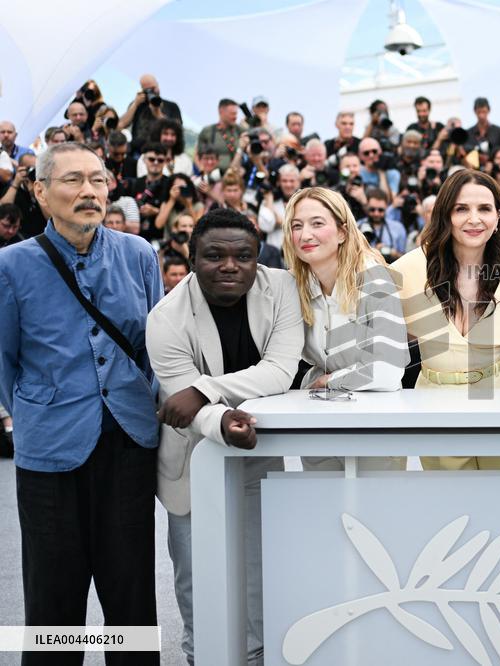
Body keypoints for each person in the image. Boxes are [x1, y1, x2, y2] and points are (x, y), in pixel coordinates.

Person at [0, 142, 162, 665]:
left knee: (131, 594)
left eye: (97, 179)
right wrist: (29, 413)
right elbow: (3, 359)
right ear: (41, 193)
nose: (88, 191)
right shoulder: (11, 265)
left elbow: (153, 348)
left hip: (129, 441)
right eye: (72, 180)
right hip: (50, 448)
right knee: (53, 597)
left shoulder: (138, 254)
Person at [146, 208, 303, 666]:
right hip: (192, 457)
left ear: (258, 258)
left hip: (257, 452)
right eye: (214, 255)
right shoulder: (165, 319)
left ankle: (254, 658)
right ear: (192, 258)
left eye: (243, 255)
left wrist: (203, 390)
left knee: (257, 571)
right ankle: (201, 653)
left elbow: (280, 370)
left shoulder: (284, 289)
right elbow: (180, 409)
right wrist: (217, 420)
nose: (230, 265)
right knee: (197, 574)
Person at [391, 169, 500, 471]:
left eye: (484, 209)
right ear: (445, 214)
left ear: (499, 215)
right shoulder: (405, 271)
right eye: (461, 209)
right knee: (451, 512)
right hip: (433, 405)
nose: (474, 219)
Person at [283, 187, 409, 472]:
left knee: (374, 513)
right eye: (296, 226)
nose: (305, 235)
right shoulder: (296, 283)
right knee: (323, 510)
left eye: (317, 223)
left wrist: (328, 380)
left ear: (342, 232)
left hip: (374, 424)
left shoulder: (373, 277)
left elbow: (387, 372)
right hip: (319, 418)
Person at [118, 73, 183, 155]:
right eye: (147, 90)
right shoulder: (137, 105)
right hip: (138, 152)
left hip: (162, 152)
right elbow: (120, 125)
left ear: (158, 86)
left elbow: (177, 129)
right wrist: (135, 104)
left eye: (153, 88)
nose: (151, 92)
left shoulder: (172, 106)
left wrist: (158, 114)